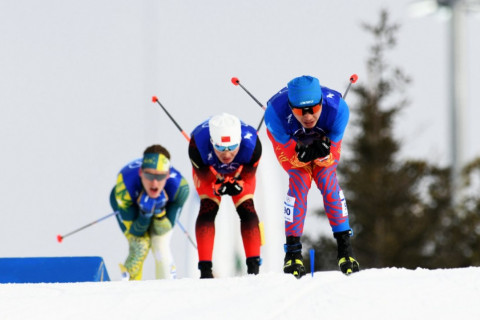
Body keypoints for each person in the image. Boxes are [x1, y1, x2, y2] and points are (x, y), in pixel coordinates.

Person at [264, 75, 359, 278]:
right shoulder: (274, 114)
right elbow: (290, 155)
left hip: (324, 137)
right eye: (300, 111)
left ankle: (345, 250)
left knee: (327, 180)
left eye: (314, 109)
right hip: (289, 140)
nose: (308, 116)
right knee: (299, 181)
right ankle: (292, 254)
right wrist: (302, 152)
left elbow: (331, 153)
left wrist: (322, 151)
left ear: (321, 103)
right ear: (291, 107)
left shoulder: (338, 110)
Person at [188, 113, 263, 278]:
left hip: (240, 170)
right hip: (209, 170)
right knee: (208, 208)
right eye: (221, 148)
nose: (227, 154)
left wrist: (238, 183)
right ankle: (205, 270)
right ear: (212, 143)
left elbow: (249, 176)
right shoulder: (197, 143)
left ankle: (254, 267)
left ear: (239, 142)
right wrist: (218, 185)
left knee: (247, 209)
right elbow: (204, 177)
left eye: (232, 147)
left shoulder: (253, 144)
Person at [110, 144, 189, 280]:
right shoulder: (124, 187)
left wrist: (159, 212)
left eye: (160, 177)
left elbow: (163, 230)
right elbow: (136, 232)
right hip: (128, 202)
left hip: (164, 206)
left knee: (160, 243)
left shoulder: (179, 188)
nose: (154, 183)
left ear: (168, 175)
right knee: (140, 245)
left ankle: (169, 290)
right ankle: (129, 288)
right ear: (141, 172)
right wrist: (145, 214)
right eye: (148, 175)